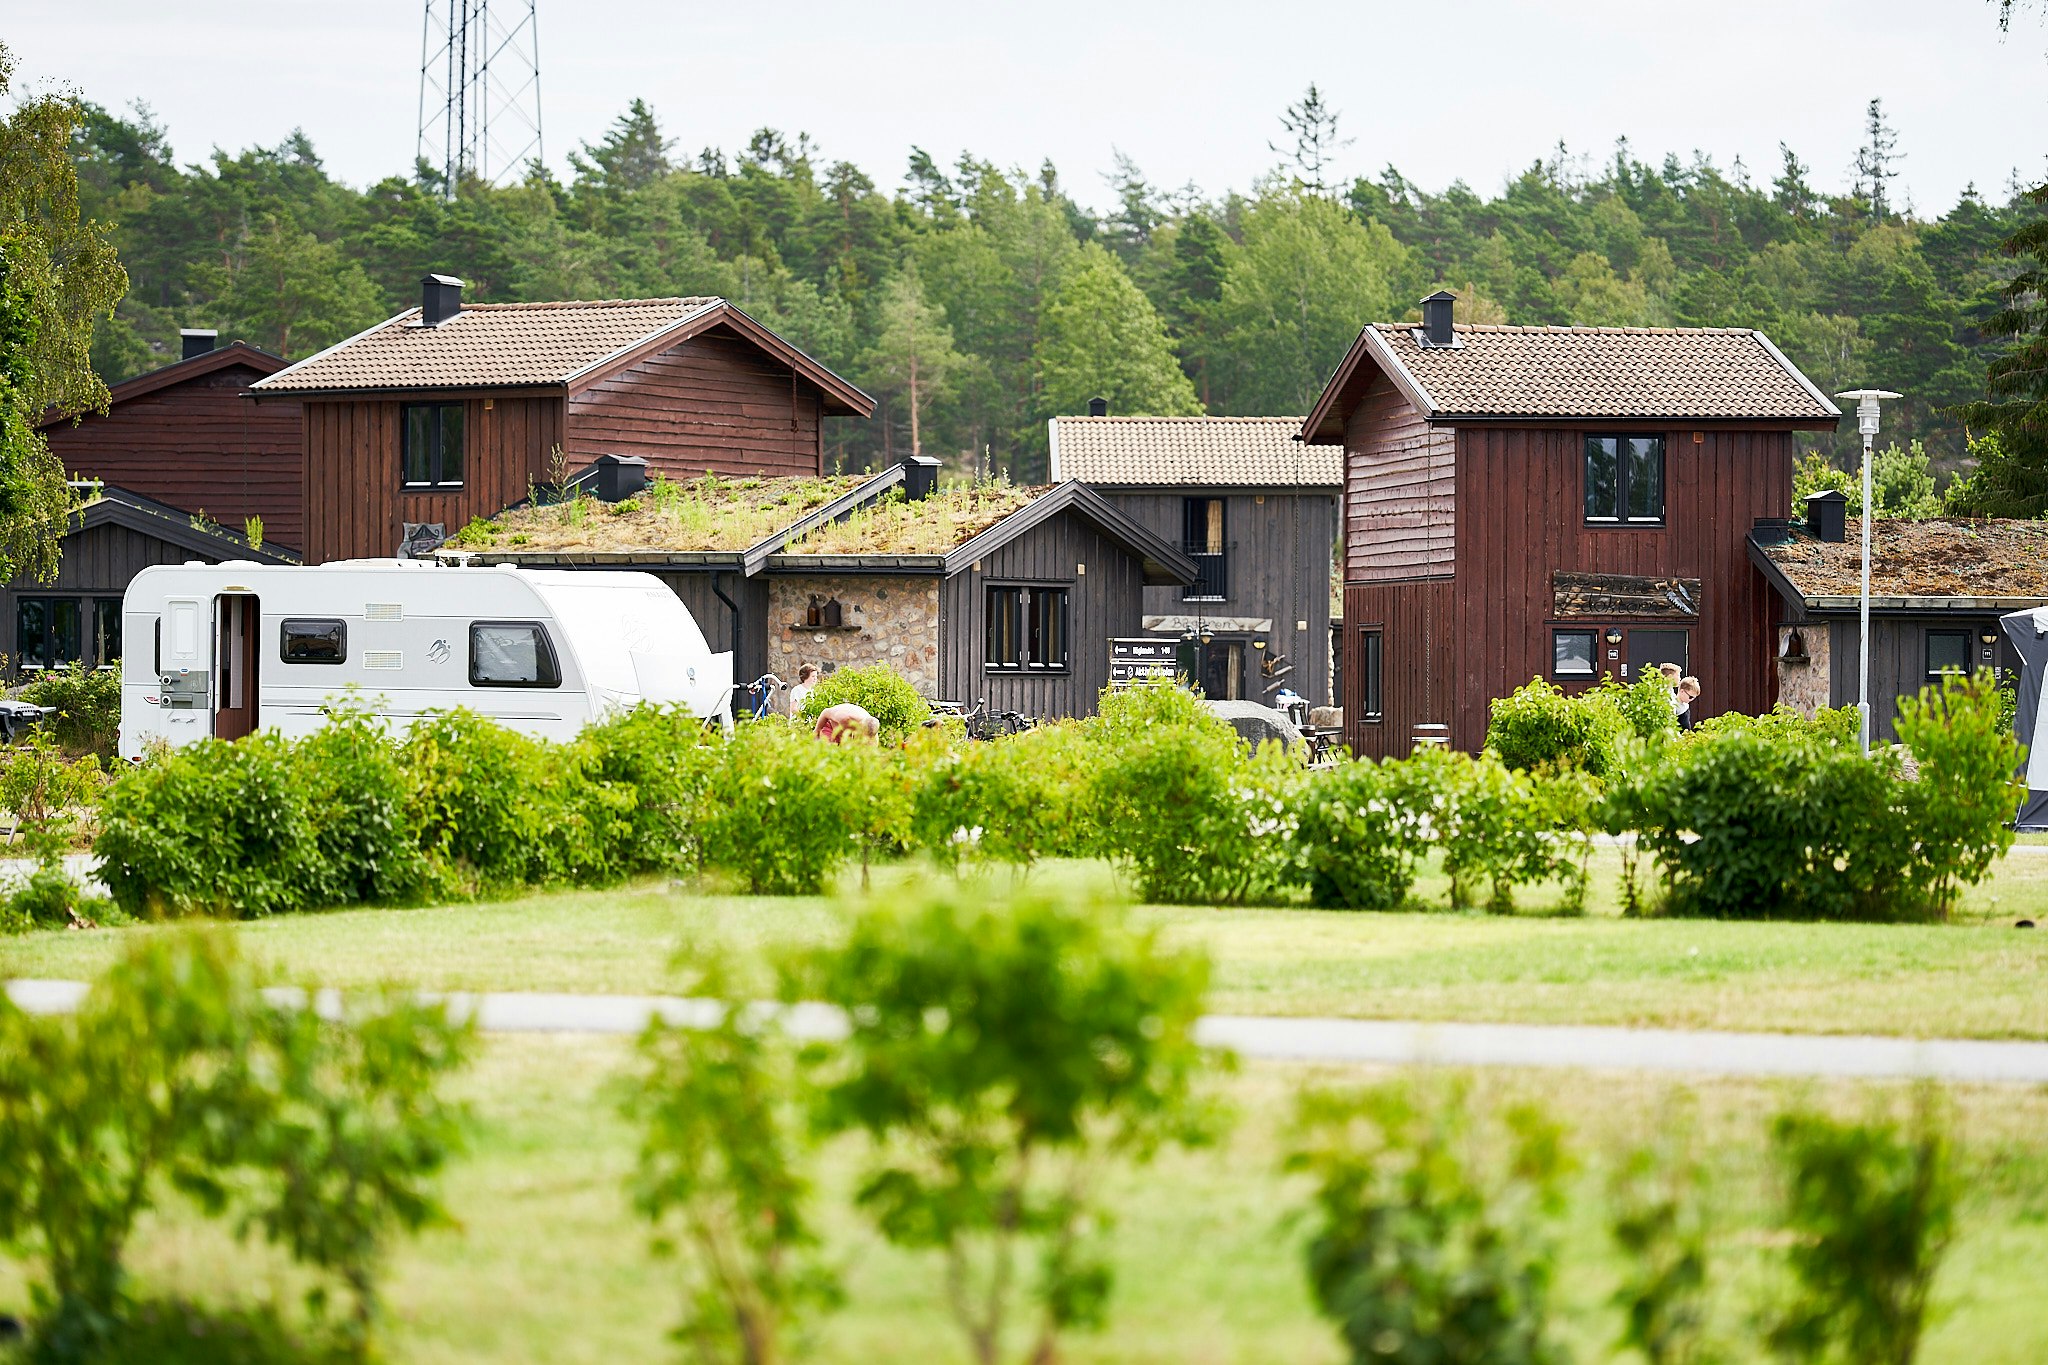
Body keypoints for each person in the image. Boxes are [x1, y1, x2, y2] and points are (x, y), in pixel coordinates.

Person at [814, 702, 879, 744]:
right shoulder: (844, 717)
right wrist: (816, 733)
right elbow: (825, 712)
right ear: (860, 725)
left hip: (845, 739)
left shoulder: (872, 731)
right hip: (831, 728)